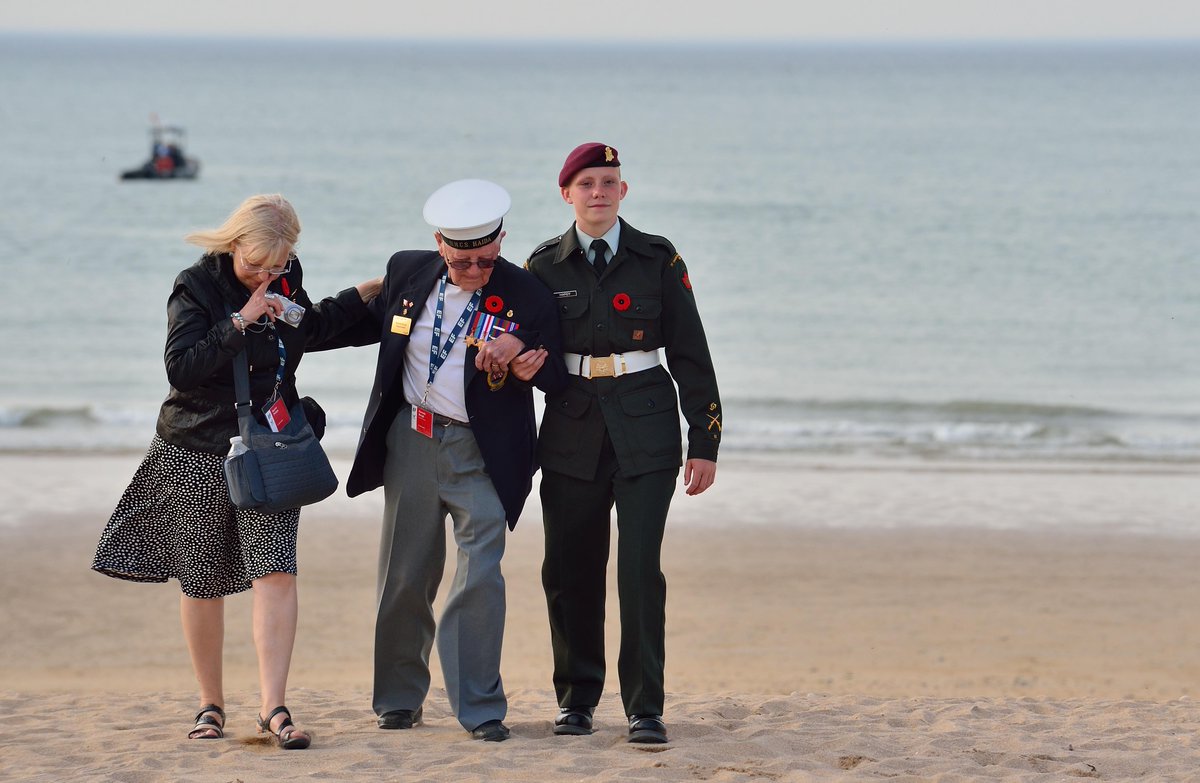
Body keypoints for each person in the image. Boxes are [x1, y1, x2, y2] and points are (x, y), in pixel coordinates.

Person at [92, 194, 382, 749]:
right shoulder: (194, 286)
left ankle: (273, 707)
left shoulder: (285, 274)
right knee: (203, 580)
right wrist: (239, 321)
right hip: (198, 447)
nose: (267, 276)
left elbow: (310, 329)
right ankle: (211, 704)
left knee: (277, 572)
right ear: (233, 245)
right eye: (256, 265)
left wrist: (371, 293)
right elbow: (181, 368)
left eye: (277, 267)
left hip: (271, 447)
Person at [332, 179, 566, 742]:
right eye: (464, 262)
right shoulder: (407, 273)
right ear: (440, 244)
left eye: (488, 259)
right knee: (406, 575)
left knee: (481, 572)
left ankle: (481, 708)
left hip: (482, 453)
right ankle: (397, 698)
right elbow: (350, 320)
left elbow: (559, 376)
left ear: (502, 241)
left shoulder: (528, 293)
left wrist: (528, 363)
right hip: (410, 442)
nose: (477, 272)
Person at [524, 143, 722, 744]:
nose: (599, 192)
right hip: (571, 430)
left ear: (624, 191)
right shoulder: (542, 267)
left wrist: (705, 440)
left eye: (609, 181)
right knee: (569, 569)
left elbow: (690, 351)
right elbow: (523, 352)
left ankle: (644, 708)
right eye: (587, 183)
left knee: (639, 572)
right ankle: (577, 700)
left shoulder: (656, 258)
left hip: (647, 429)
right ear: (567, 194)